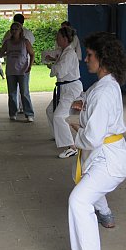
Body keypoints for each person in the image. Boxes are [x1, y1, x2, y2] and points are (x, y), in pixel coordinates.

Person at [68, 32, 126, 250]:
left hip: (109, 160)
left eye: (90, 55)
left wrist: (77, 131)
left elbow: (93, 138)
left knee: (79, 201)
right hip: (104, 156)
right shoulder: (103, 84)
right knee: (85, 182)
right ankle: (105, 213)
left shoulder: (105, 92)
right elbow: (89, 95)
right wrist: (82, 103)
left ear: (103, 59)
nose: (86, 59)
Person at [45, 27, 83, 158]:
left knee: (59, 116)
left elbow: (61, 71)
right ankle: (58, 135)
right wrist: (53, 63)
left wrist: (53, 66)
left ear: (65, 39)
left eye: (59, 37)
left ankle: (72, 147)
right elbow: (59, 67)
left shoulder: (69, 53)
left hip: (71, 89)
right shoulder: (63, 51)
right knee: (50, 110)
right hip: (65, 88)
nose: (57, 39)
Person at [0, 22, 35, 122]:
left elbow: (32, 54)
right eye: (13, 29)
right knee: (12, 93)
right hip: (11, 71)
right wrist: (6, 52)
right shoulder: (7, 42)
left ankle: (29, 114)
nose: (14, 31)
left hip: (23, 71)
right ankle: (12, 113)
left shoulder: (25, 42)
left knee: (24, 93)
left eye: (16, 29)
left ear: (20, 31)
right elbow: (0, 54)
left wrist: (30, 66)